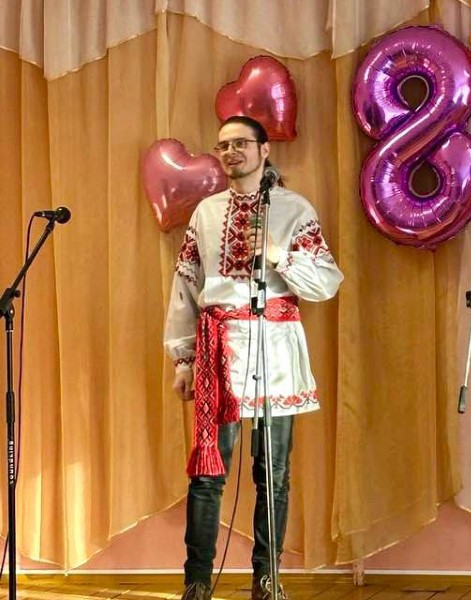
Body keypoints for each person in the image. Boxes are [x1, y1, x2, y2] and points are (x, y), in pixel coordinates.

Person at [164, 115, 343, 600]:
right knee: (208, 472)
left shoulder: (294, 209)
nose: (231, 152)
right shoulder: (206, 213)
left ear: (264, 150)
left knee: (273, 472)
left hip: (275, 345)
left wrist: (280, 255)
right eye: (223, 145)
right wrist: (183, 358)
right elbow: (185, 285)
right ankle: (197, 580)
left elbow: (326, 281)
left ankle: (267, 578)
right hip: (218, 348)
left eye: (241, 143)